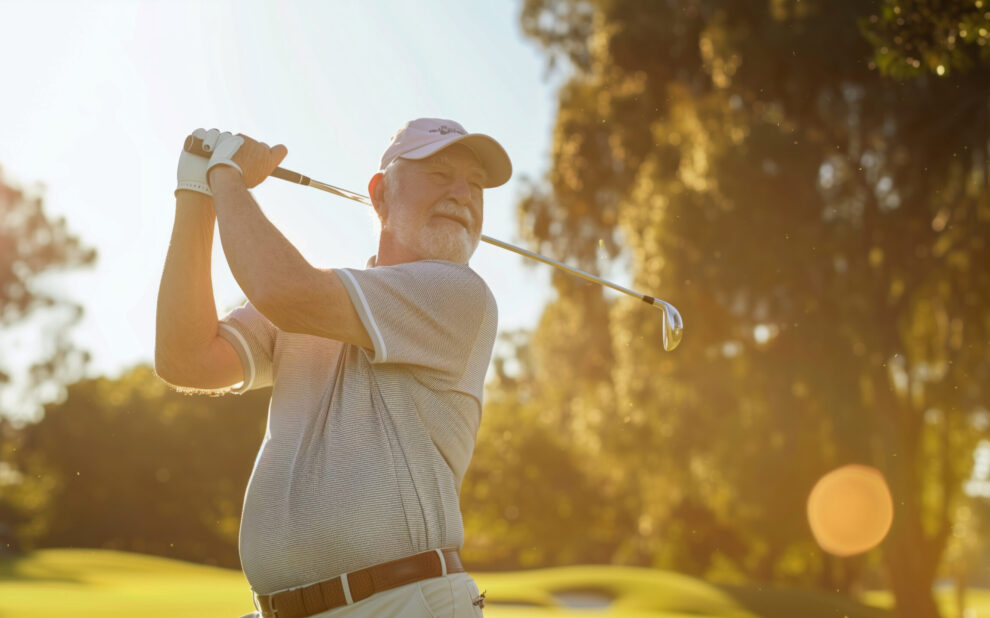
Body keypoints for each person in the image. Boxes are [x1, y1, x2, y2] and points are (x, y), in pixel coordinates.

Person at [155, 118, 512, 618]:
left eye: (475, 185)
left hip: (401, 604)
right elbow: (184, 358)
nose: (462, 194)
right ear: (381, 194)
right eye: (440, 174)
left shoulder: (459, 295)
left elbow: (283, 289)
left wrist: (227, 176)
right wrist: (195, 191)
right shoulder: (315, 303)